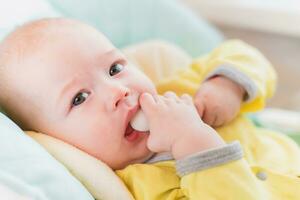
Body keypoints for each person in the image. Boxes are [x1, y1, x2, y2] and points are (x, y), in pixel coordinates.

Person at [0, 18, 299, 199]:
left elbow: (243, 53)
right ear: (54, 140)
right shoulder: (141, 187)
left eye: (115, 68)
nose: (119, 90)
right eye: (79, 98)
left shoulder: (182, 92)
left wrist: (225, 85)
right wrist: (193, 144)